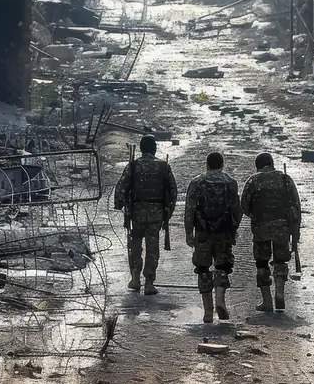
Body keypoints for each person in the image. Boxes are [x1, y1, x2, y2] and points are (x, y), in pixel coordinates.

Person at [114, 135, 177, 295]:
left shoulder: (134, 165)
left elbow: (121, 186)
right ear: (154, 149)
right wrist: (168, 212)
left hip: (137, 212)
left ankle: (135, 275)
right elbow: (173, 191)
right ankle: (149, 282)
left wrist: (120, 204)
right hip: (156, 213)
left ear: (141, 149)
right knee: (152, 247)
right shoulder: (163, 166)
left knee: (135, 243)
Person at [185, 151, 242, 323]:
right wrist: (234, 228)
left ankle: (208, 311)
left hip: (203, 232)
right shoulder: (230, 182)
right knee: (223, 266)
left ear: (207, 164)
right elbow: (237, 209)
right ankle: (220, 300)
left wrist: (189, 232)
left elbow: (190, 209)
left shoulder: (196, 182)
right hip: (223, 232)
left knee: (202, 269)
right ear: (222, 165)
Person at [241, 152, 301, 313]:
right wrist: (295, 233)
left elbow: (244, 206)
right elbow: (296, 206)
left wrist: (256, 215)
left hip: (260, 229)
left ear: (258, 166)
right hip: (282, 229)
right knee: (280, 261)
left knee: (262, 263)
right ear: (272, 164)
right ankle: (279, 292)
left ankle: (267, 301)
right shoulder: (285, 179)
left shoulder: (253, 180)